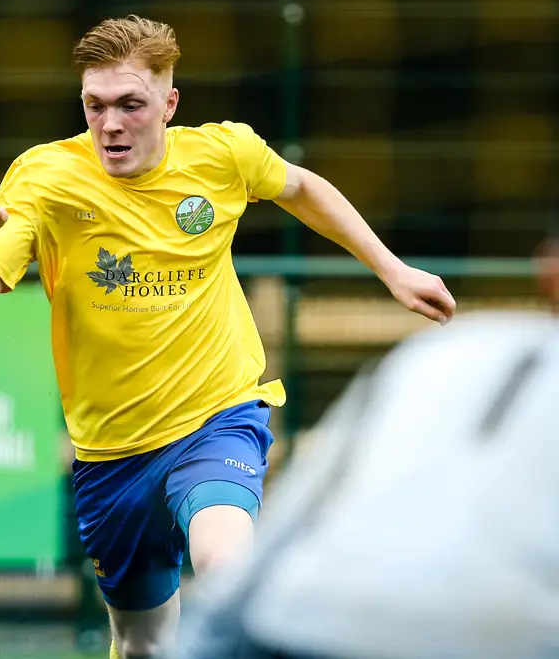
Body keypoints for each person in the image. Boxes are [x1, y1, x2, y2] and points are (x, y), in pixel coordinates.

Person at [0, 15, 455, 659]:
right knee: (142, 643)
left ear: (169, 104)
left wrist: (393, 268)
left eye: (131, 104)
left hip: (217, 417)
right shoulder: (44, 178)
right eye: (95, 106)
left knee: (225, 566)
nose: (111, 124)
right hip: (111, 452)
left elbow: (301, 187)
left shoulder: (224, 154)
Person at [181, 227, 559, 659]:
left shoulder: (435, 352)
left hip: (303, 621)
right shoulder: (441, 354)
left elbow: (294, 517)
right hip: (496, 635)